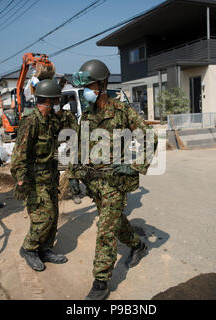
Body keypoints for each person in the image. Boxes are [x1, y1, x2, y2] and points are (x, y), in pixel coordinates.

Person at [69, 59, 158, 300]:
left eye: (90, 85)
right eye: (84, 86)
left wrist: (134, 166)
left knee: (105, 230)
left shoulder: (122, 111)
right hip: (94, 184)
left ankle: (100, 283)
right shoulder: (86, 116)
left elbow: (149, 137)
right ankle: (138, 245)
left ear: (103, 84)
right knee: (116, 223)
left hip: (114, 184)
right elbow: (78, 147)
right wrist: (74, 176)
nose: (86, 91)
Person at [10, 79, 68, 272]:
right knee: (44, 216)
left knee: (54, 215)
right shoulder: (31, 121)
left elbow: (63, 132)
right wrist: (21, 179)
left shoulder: (50, 119)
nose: (58, 102)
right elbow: (19, 154)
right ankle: (28, 248)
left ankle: (45, 249)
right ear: (49, 101)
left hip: (50, 176)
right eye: (56, 99)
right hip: (35, 180)